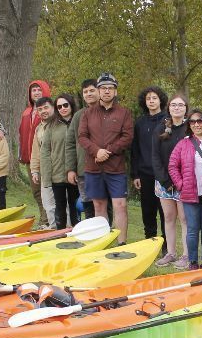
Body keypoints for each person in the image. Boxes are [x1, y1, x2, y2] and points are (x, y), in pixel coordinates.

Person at [78, 72, 133, 244]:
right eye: (103, 88)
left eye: (110, 88)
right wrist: (96, 151)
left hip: (116, 168)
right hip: (93, 168)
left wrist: (107, 151)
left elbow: (127, 137)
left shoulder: (124, 113)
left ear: (115, 92)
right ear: (99, 91)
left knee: (120, 206)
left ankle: (121, 243)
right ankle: (103, 242)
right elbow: (82, 137)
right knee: (99, 206)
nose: (107, 91)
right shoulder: (87, 114)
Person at [169, 109, 202, 270]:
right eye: (193, 121)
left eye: (200, 121)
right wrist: (180, 184)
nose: (197, 124)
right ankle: (193, 262)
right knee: (192, 229)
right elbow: (172, 165)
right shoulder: (184, 143)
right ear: (189, 124)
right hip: (190, 194)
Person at [152, 94, 190, 269]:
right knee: (168, 217)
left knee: (184, 218)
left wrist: (180, 180)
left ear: (185, 108)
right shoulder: (161, 128)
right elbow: (155, 156)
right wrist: (165, 180)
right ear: (169, 108)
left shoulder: (190, 128)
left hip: (184, 181)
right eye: (173, 105)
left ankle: (186, 255)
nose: (177, 108)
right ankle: (171, 253)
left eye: (180, 105)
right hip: (164, 181)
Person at [132, 86, 168, 248]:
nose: (151, 101)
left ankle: (166, 243)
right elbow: (135, 150)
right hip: (145, 173)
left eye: (154, 98)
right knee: (148, 210)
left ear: (160, 100)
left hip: (163, 174)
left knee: (165, 211)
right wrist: (135, 174)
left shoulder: (168, 121)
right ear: (144, 102)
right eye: (148, 99)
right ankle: (149, 243)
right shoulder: (140, 122)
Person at [43, 94, 80, 228]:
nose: (63, 108)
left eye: (65, 105)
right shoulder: (51, 126)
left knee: (75, 204)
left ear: (71, 105)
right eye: (59, 106)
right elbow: (45, 151)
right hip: (57, 172)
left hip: (75, 172)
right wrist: (47, 176)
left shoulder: (79, 121)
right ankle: (60, 233)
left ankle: (77, 232)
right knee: (59, 205)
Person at [18, 80, 52, 225]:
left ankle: (49, 219)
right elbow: (22, 135)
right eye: (33, 90)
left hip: (47, 159)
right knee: (36, 192)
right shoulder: (26, 112)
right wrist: (23, 155)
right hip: (30, 159)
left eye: (39, 89)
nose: (36, 92)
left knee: (48, 191)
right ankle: (43, 218)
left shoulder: (49, 110)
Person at [66, 79, 99, 219]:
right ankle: (92, 235)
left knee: (103, 203)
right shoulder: (78, 116)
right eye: (85, 92)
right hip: (82, 169)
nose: (88, 94)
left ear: (99, 91)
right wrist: (70, 169)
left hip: (103, 169)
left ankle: (106, 232)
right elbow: (70, 143)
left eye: (92, 90)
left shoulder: (108, 113)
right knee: (87, 203)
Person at [29, 97, 57, 229]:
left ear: (52, 107)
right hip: (45, 172)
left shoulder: (60, 124)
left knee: (63, 202)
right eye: (40, 109)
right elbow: (35, 152)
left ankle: (66, 227)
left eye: (46, 108)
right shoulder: (39, 128)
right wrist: (34, 170)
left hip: (60, 171)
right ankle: (53, 227)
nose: (43, 111)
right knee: (48, 203)